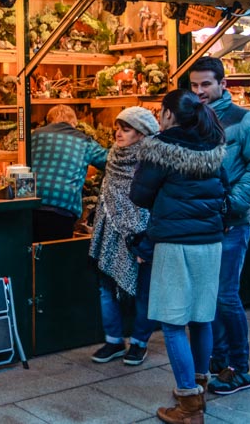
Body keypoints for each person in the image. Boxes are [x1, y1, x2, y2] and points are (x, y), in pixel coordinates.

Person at [130, 89, 228, 423]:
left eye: (161, 111)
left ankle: (188, 407)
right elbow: (224, 191)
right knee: (202, 318)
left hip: (174, 243)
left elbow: (140, 195)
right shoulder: (213, 146)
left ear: (169, 114)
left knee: (172, 323)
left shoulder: (160, 148)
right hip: (211, 243)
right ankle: (199, 387)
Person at [188, 56, 250, 395]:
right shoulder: (194, 119)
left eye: (206, 84)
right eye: (194, 86)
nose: (199, 91)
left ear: (223, 84)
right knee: (208, 297)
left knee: (225, 295)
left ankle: (240, 369)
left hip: (232, 223)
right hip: (203, 222)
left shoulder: (245, 119)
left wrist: (232, 203)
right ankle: (219, 359)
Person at [88, 107, 160, 366]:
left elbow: (151, 202)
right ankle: (114, 340)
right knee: (106, 287)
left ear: (142, 133)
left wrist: (142, 235)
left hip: (140, 233)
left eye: (125, 128)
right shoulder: (112, 157)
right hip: (109, 233)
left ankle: (139, 342)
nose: (118, 133)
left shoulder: (153, 160)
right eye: (117, 128)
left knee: (143, 291)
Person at [31, 104, 107, 242]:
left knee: (33, 254)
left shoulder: (35, 135)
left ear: (49, 121)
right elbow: (108, 161)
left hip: (31, 203)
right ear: (73, 123)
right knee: (56, 255)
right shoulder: (84, 141)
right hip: (63, 206)